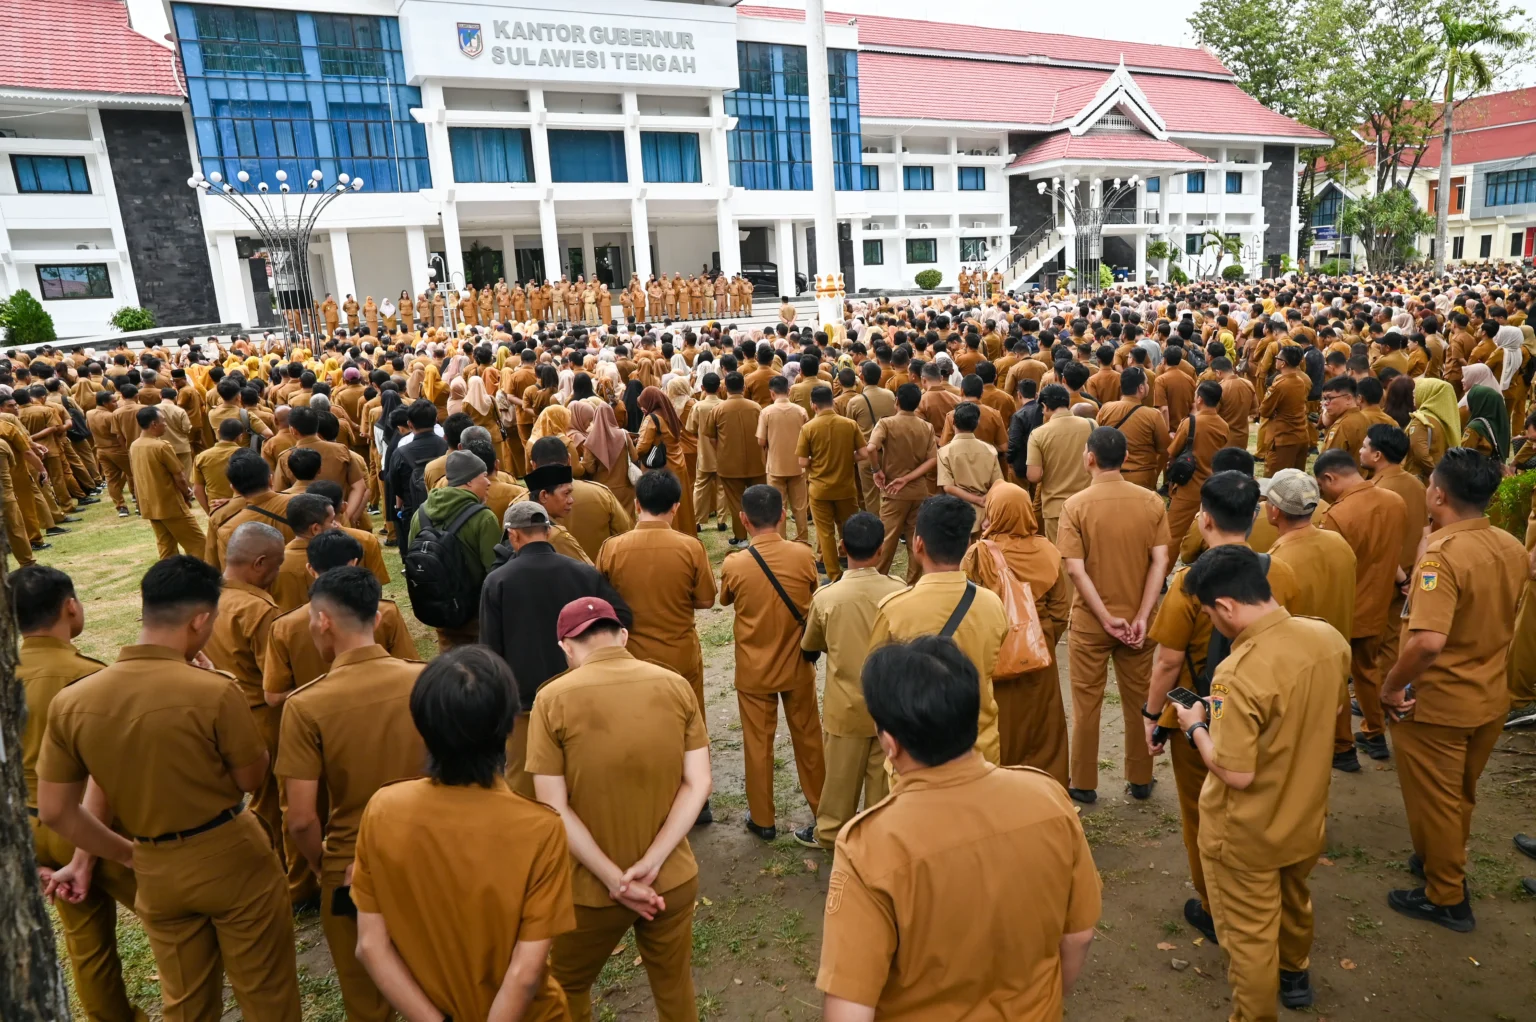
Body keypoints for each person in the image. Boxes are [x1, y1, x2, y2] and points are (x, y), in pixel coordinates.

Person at [36, 556, 303, 1021]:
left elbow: (57, 811)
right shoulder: (214, 691)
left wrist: (123, 853)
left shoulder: (72, 702)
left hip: (153, 865)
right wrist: (220, 682)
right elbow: (252, 779)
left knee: (186, 1003)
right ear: (200, 620)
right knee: (267, 994)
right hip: (231, 854)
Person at [815, 636, 1100, 1019]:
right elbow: (1079, 934)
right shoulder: (1048, 798)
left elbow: (849, 1010)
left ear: (890, 744)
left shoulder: (870, 847)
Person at [1171, 545, 1350, 1019]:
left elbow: (1236, 770)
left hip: (1247, 832)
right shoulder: (1327, 638)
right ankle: (1295, 972)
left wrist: (1196, 726)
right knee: (1294, 898)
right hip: (1304, 813)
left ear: (1225, 606)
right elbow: (1327, 709)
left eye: (1210, 612)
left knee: (1248, 941)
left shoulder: (1237, 673)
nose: (1213, 621)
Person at [353, 646, 575, 1020]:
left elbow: (371, 946)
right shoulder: (540, 829)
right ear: (507, 728)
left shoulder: (383, 809)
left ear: (422, 727)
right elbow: (525, 973)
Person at [529, 597, 711, 1022]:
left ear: (566, 646)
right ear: (623, 636)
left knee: (566, 988)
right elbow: (698, 781)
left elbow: (552, 805)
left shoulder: (551, 699)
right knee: (674, 987)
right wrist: (652, 861)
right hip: (671, 879)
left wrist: (616, 879)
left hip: (590, 892)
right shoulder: (675, 685)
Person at [1144, 472, 1301, 944]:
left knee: (1200, 813)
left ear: (1204, 518)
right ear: (1256, 516)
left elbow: (1168, 660)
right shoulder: (1282, 572)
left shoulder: (1191, 581)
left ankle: (1215, 905)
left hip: (1201, 713)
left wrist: (1153, 716)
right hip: (1270, 707)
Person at [1380, 449, 1527, 931]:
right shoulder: (1506, 543)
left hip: (1438, 703)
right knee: (1457, 794)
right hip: (1488, 695)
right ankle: (1435, 860)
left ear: (1438, 494)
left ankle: (1446, 896)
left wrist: (1390, 686)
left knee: (1438, 800)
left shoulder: (1443, 558)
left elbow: (1427, 641)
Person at [277, 566, 426, 1022]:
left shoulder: (306, 705)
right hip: (429, 849)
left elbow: (300, 818)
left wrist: (321, 862)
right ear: (378, 620)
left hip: (349, 864)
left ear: (324, 622)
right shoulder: (425, 680)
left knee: (366, 994)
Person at [14, 565, 141, 1022]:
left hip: (31, 825)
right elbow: (110, 771)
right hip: (91, 823)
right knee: (174, 919)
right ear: (71, 606)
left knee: (87, 947)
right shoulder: (85, 676)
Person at [481, 501, 632, 796]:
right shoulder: (582, 574)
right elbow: (622, 617)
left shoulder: (497, 581)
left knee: (527, 784)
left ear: (513, 536)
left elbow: (491, 651)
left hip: (526, 705)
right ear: (548, 532)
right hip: (582, 694)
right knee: (583, 776)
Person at [1058, 426, 1170, 803]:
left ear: (1089, 458)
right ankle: (1140, 777)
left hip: (1091, 624)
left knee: (1086, 704)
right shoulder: (1152, 502)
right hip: (1140, 624)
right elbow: (1160, 562)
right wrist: (1142, 614)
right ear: (1125, 458)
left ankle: (1083, 783)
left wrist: (1105, 617)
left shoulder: (1075, 506)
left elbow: (1075, 569)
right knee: (1141, 699)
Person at [718, 484, 825, 840]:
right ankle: (822, 811)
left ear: (743, 520)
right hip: (797, 665)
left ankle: (762, 819)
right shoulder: (803, 556)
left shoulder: (735, 563)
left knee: (757, 744)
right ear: (783, 516)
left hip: (754, 668)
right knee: (809, 740)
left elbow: (725, 599)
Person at [869, 494, 1007, 763]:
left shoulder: (894, 609)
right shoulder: (992, 604)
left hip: (915, 754)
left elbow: (880, 679)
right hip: (979, 748)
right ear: (968, 544)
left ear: (918, 544)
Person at [800, 512, 907, 848]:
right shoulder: (899, 591)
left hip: (843, 706)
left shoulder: (827, 597)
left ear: (842, 547)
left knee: (840, 780)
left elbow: (811, 645)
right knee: (882, 778)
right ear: (880, 550)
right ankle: (877, 835)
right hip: (887, 707)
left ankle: (830, 833)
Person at [959, 482, 1071, 783]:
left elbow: (966, 608)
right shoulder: (1048, 551)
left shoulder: (979, 554)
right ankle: (1050, 787)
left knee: (1000, 727)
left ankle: (1002, 789)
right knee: (1044, 728)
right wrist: (1041, 638)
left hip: (995, 658)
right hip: (1040, 653)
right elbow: (1062, 610)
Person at [595, 468, 715, 715]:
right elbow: (706, 600)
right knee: (688, 721)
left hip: (632, 655)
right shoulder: (691, 547)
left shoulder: (612, 548)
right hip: (680, 653)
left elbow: (602, 601)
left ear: (637, 505)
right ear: (676, 507)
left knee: (639, 719)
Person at [1314, 448, 1407, 768]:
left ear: (1329, 478)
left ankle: (1342, 748)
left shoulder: (1337, 515)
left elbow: (1328, 569)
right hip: (1380, 603)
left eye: (1322, 486)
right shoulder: (1395, 502)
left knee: (1336, 678)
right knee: (1367, 670)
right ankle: (1374, 732)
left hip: (1345, 607)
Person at [202, 522, 287, 854]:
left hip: (217, 715)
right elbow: (276, 678)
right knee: (272, 802)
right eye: (277, 565)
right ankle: (283, 875)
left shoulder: (206, 599)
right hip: (262, 720)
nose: (278, 573)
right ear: (260, 563)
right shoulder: (258, 610)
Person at [406, 449, 502, 649]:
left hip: (438, 609)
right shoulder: (483, 517)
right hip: (475, 616)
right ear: (468, 482)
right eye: (484, 476)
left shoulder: (420, 514)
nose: (489, 482)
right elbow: (495, 571)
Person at [863, 382, 938, 582]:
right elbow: (932, 459)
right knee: (916, 540)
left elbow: (871, 448)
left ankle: (878, 579)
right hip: (918, 491)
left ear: (896, 402)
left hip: (893, 492)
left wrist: (876, 470)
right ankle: (913, 584)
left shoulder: (886, 423)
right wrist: (908, 478)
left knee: (887, 540)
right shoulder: (926, 426)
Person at [798, 384, 868, 581]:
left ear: (813, 405)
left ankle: (833, 574)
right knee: (850, 529)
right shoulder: (849, 424)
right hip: (846, 487)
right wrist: (847, 457)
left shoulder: (808, 428)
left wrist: (817, 461)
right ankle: (855, 568)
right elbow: (863, 454)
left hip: (820, 489)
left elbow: (802, 461)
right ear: (833, 402)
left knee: (825, 533)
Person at [130, 404, 206, 560]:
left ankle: (171, 579)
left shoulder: (135, 445)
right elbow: (179, 476)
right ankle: (203, 578)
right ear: (154, 424)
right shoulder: (161, 446)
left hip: (150, 505)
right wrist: (186, 494)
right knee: (198, 543)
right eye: (163, 421)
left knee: (166, 547)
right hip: (169, 504)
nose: (165, 424)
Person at [1025, 383, 1093, 542]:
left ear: (1045, 406)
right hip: (1088, 502)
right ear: (1068, 402)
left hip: (1056, 508)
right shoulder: (1091, 425)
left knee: (1062, 560)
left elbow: (1033, 476)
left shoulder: (1038, 434)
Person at [708, 372, 767, 547]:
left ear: (725, 387)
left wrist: (723, 450)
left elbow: (711, 437)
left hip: (729, 463)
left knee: (736, 503)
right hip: (757, 462)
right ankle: (762, 535)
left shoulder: (718, 409)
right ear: (744, 387)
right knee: (760, 500)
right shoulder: (756, 407)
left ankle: (741, 537)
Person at [758, 374, 812, 543]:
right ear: (788, 391)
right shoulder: (801, 411)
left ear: (771, 393)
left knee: (777, 506)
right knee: (800, 506)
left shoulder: (766, 412)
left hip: (775, 465)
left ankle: (780, 539)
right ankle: (803, 537)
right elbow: (808, 437)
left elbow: (761, 441)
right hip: (798, 465)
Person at [1094, 367, 1167, 490]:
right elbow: (1164, 448)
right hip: (1142, 477)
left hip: (1111, 475)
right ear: (1141, 388)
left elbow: (1097, 440)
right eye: (1146, 383)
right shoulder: (1153, 415)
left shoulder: (1106, 409)